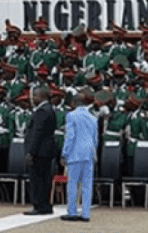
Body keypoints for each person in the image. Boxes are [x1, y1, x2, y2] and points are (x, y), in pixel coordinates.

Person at [60, 91, 98, 222]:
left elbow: (70, 136)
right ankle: (86, 213)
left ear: (73, 103)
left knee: (72, 184)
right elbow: (95, 138)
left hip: (75, 152)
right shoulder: (92, 117)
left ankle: (72, 212)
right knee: (87, 185)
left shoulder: (71, 115)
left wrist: (65, 153)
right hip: (89, 153)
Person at [24, 85, 57, 215]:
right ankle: (45, 205)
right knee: (44, 179)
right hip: (46, 150)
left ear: (41, 96)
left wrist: (30, 152)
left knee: (37, 179)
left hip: (40, 151)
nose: (32, 98)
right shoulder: (49, 109)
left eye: (35, 96)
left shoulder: (42, 111)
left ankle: (39, 205)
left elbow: (37, 133)